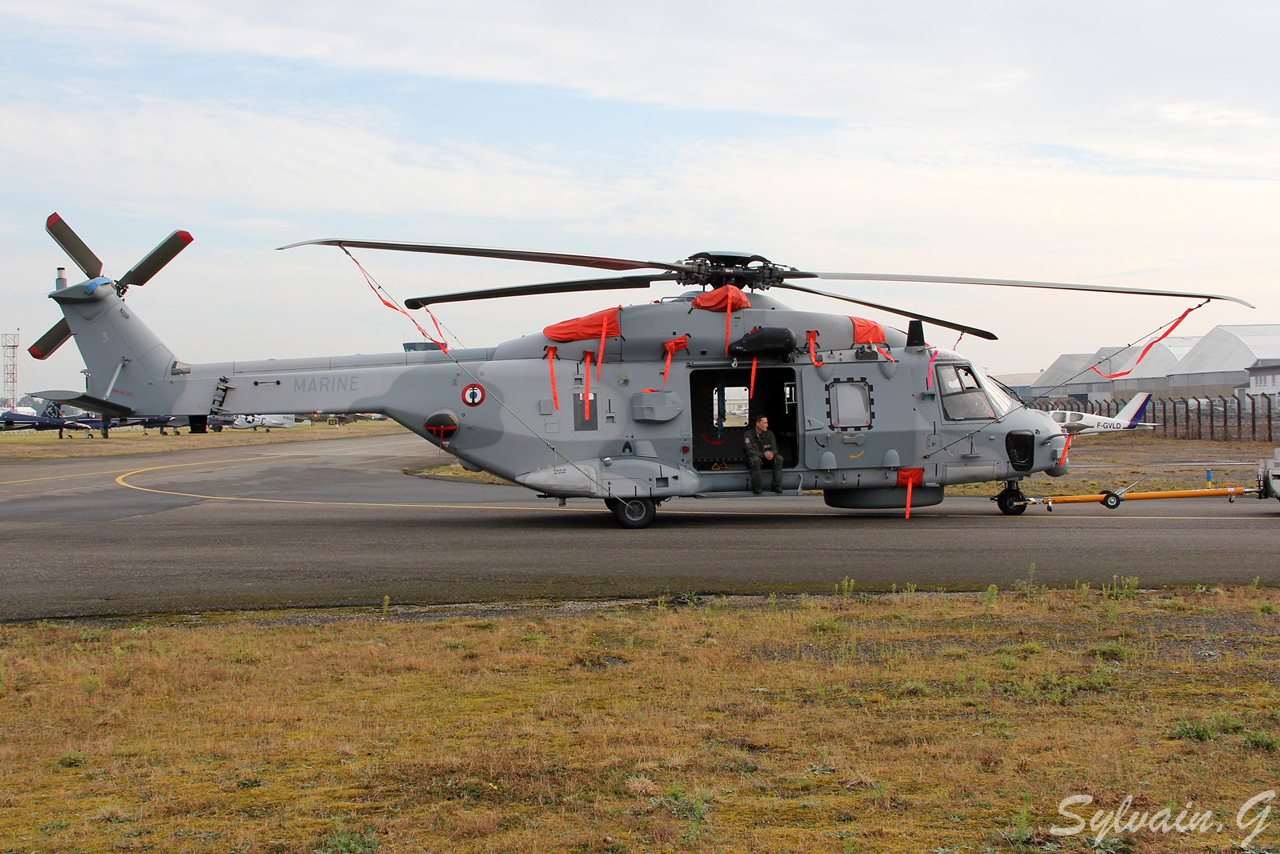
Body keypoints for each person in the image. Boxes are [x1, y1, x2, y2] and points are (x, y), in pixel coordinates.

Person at [744, 415, 784, 494]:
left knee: (779, 459)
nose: (767, 425)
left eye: (767, 423)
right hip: (754, 459)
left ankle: (776, 486)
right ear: (758, 424)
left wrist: (771, 454)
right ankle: (756, 487)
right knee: (755, 460)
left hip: (767, 459)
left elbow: (775, 449)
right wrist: (763, 454)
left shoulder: (770, 434)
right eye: (764, 423)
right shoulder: (748, 435)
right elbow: (749, 451)